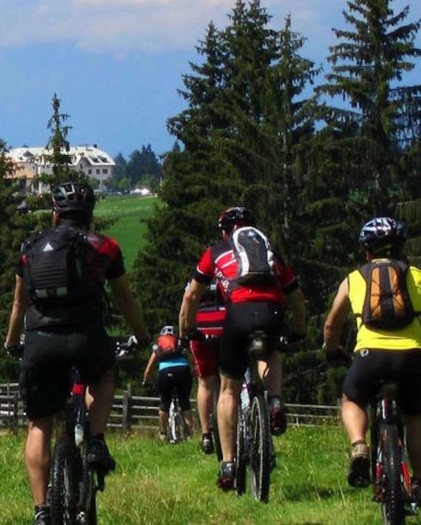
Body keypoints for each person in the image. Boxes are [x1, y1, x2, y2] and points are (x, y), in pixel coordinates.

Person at [3, 182, 152, 525]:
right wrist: (142, 336)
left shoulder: (30, 247)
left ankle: (41, 510)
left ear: (55, 214)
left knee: (39, 423)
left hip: (40, 340)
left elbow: (19, 303)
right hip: (86, 335)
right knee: (103, 374)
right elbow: (124, 299)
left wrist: (13, 341)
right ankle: (96, 440)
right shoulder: (105, 247)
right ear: (91, 215)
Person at [178, 206, 306, 491]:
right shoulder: (269, 250)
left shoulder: (216, 252)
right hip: (272, 311)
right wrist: (298, 331)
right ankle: (274, 400)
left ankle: (228, 462)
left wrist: (189, 331)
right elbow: (296, 297)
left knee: (227, 390)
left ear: (224, 231)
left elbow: (191, 296)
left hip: (238, 315)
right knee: (271, 352)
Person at [322, 217, 421, 489]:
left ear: (367, 251)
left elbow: (332, 324)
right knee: (414, 416)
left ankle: (359, 447)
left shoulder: (354, 279)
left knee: (352, 399)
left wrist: (332, 350)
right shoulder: (415, 276)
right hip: (412, 356)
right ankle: (420, 480)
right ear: (401, 248)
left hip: (369, 357)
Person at [190, 283, 226, 455]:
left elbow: (188, 302)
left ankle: (205, 434)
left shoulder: (198, 276)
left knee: (205, 384)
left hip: (202, 330)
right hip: (227, 328)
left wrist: (184, 332)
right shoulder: (230, 273)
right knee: (231, 381)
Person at [142, 325, 195, 441]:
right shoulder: (180, 343)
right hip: (183, 370)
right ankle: (191, 434)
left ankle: (163, 433)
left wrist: (146, 379)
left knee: (165, 403)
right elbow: (192, 357)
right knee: (185, 403)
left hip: (166, 371)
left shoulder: (159, 345)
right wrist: (193, 371)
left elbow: (150, 366)